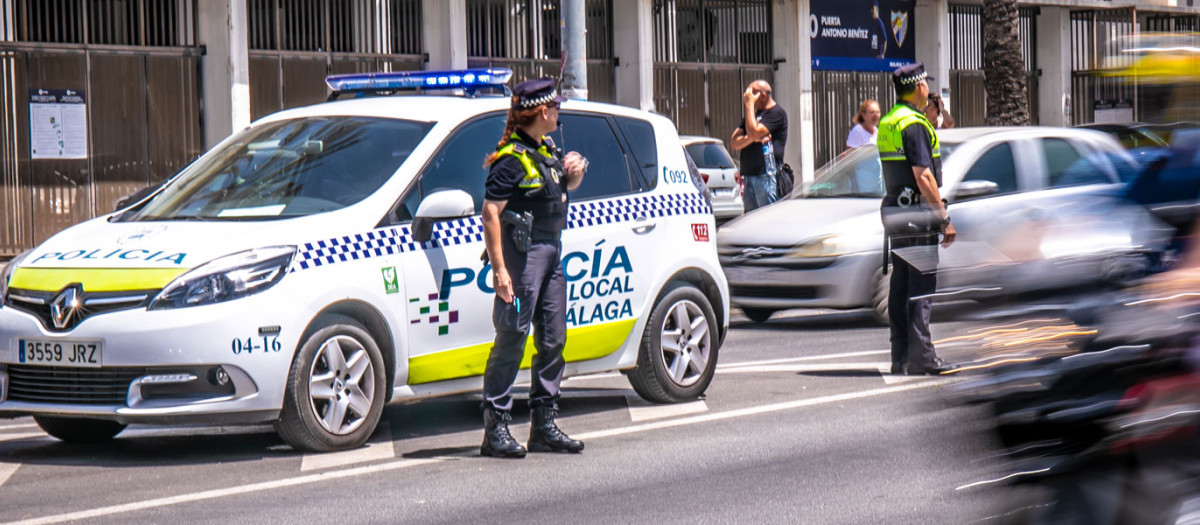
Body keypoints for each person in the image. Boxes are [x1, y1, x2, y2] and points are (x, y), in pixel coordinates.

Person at [479, 77, 588, 458]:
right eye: (556, 107)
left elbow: (557, 190)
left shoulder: (546, 148)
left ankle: (543, 426)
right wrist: (500, 269)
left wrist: (575, 170)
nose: (558, 113)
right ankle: (496, 429)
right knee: (512, 336)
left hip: (551, 251)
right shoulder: (511, 157)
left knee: (553, 338)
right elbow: (491, 212)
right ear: (543, 111)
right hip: (523, 256)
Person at [877, 63, 956, 376]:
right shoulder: (914, 124)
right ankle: (922, 356)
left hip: (896, 213)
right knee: (920, 289)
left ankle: (900, 355)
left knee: (900, 285)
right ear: (919, 86)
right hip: (918, 216)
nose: (927, 88)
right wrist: (943, 219)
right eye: (926, 83)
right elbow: (924, 176)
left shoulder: (889, 121)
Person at [730, 80, 788, 213]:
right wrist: (752, 138)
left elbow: (753, 131)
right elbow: (734, 142)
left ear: (762, 95)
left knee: (766, 219)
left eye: (752, 93)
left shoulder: (777, 113)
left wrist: (749, 105)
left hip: (766, 176)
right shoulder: (752, 116)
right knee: (751, 221)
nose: (747, 96)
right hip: (749, 176)